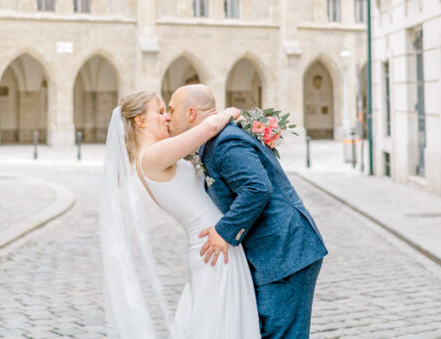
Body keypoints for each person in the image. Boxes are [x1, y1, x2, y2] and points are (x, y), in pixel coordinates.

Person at [168, 84, 327, 339]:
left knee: (280, 334)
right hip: (272, 253)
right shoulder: (214, 142)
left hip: (285, 252)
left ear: (190, 114)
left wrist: (225, 232)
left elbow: (256, 188)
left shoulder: (224, 142)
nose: (167, 115)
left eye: (171, 109)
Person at [100, 90, 260, 338]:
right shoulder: (151, 157)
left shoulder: (160, 154)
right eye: (160, 111)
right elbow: (207, 130)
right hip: (213, 247)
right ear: (140, 121)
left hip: (216, 243)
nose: (166, 118)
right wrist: (230, 112)